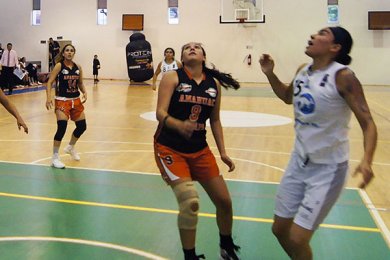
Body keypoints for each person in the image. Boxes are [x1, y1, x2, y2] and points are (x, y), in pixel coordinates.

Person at [259, 26, 377, 259]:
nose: (313, 35)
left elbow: (368, 123)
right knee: (279, 229)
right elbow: (287, 97)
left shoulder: (343, 77)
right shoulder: (303, 70)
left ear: (335, 48)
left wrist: (367, 160)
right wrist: (270, 73)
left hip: (328, 169)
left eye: (322, 33)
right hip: (298, 163)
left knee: (297, 238)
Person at [154, 42, 241, 260]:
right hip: (170, 147)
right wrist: (178, 124)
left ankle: (226, 246)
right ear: (182, 57)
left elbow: (216, 120)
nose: (192, 48)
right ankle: (190, 256)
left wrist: (222, 152)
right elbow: (160, 113)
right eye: (187, 47)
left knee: (224, 201)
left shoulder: (214, 85)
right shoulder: (172, 77)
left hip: (200, 149)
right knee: (190, 201)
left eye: (197, 47)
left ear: (203, 56)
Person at [46, 44, 87, 169]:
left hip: (75, 99)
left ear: (74, 53)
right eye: (67, 50)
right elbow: (49, 82)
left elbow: (80, 83)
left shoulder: (78, 67)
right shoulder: (59, 66)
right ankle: (55, 157)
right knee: (62, 127)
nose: (69, 52)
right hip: (62, 100)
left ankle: (70, 147)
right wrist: (48, 97)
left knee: (82, 126)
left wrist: (84, 91)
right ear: (63, 53)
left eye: (72, 51)